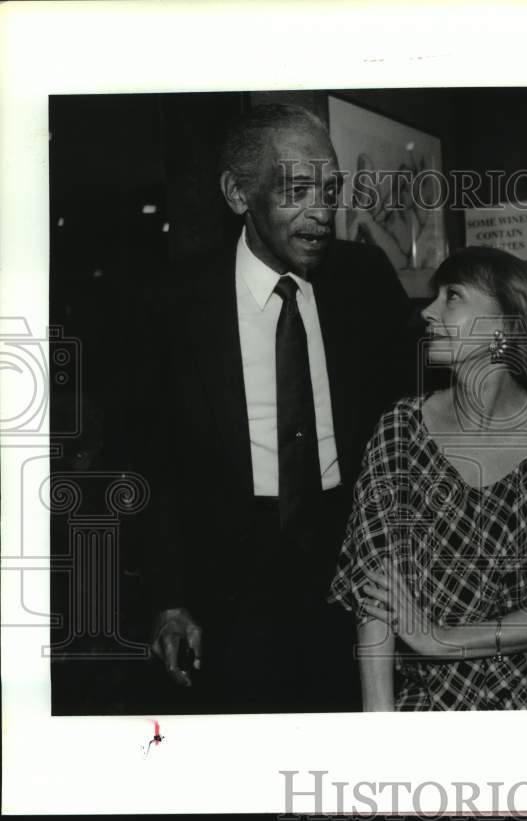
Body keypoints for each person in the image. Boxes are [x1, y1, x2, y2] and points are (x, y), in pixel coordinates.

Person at [142, 104, 416, 712]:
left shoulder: (364, 279)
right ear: (238, 193)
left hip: (354, 576)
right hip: (229, 589)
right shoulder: (176, 304)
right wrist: (169, 600)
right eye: (296, 190)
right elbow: (151, 464)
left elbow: (412, 422)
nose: (321, 211)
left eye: (331, 189)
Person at [329, 246, 527, 710]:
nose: (429, 311)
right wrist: (379, 728)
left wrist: (439, 639)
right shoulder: (400, 431)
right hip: (432, 705)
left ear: (504, 327)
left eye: (452, 296)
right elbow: (373, 591)